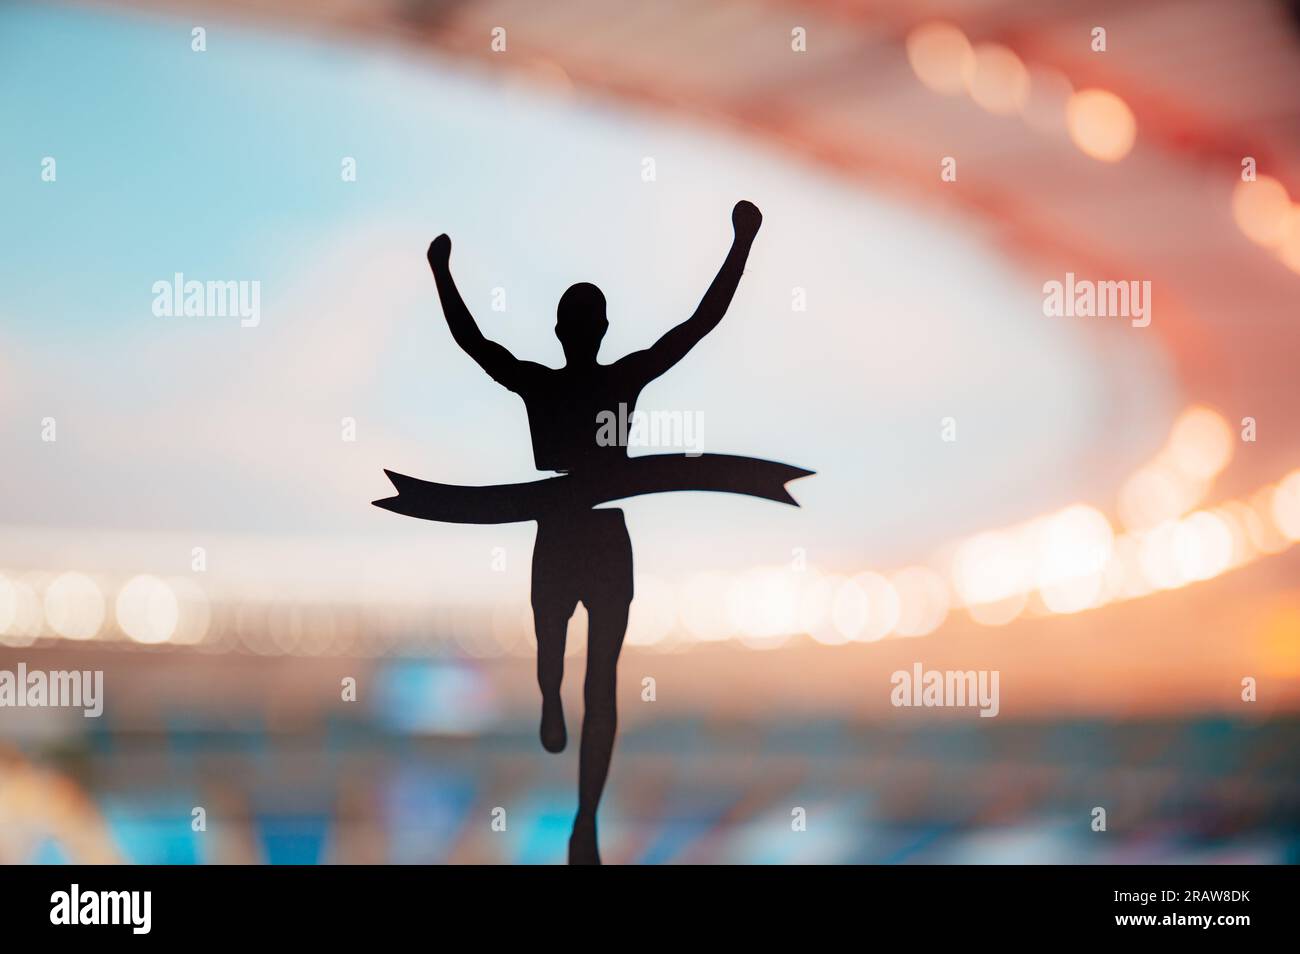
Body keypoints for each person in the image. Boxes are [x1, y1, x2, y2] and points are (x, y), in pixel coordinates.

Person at [424, 201, 763, 864]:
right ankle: (558, 718)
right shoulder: (612, 378)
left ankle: (584, 812)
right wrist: (742, 242)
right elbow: (699, 325)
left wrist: (441, 272)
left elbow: (474, 344)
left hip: (575, 529)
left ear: (563, 329)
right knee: (586, 674)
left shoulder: (548, 384)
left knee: (583, 667)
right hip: (592, 533)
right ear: (598, 328)